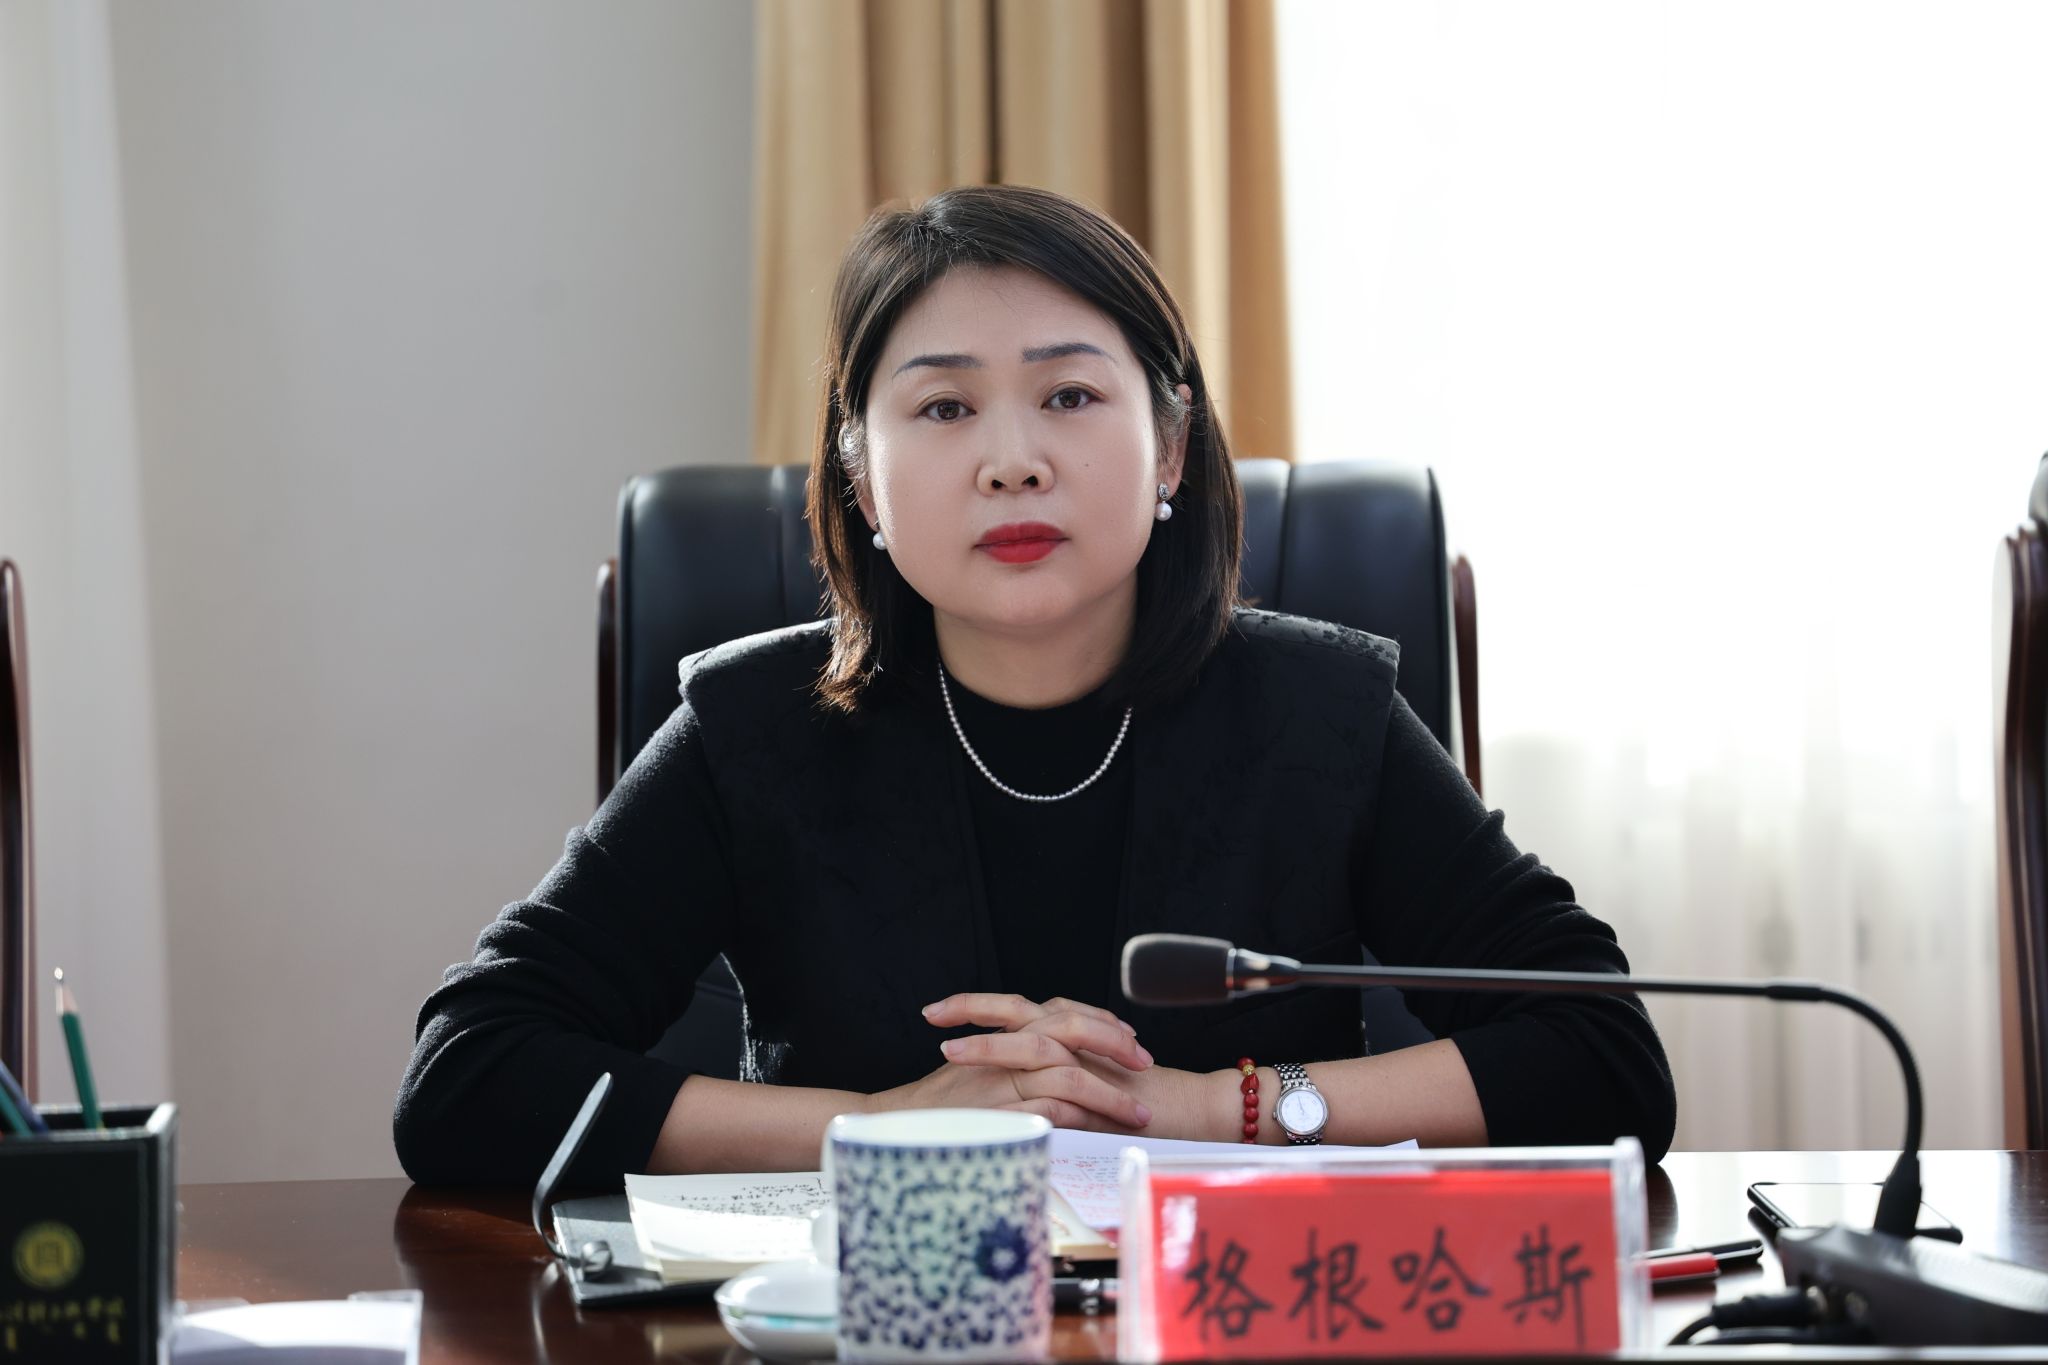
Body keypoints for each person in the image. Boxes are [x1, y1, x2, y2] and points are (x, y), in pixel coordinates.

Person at [393, 185, 1675, 1186]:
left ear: (1168, 445)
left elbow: (1602, 1057)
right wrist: (879, 1125)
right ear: (860, 477)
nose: (1011, 460)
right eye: (943, 410)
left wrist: (1203, 1108)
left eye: (1067, 394)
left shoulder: (1316, 715)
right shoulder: (754, 732)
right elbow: (469, 1075)